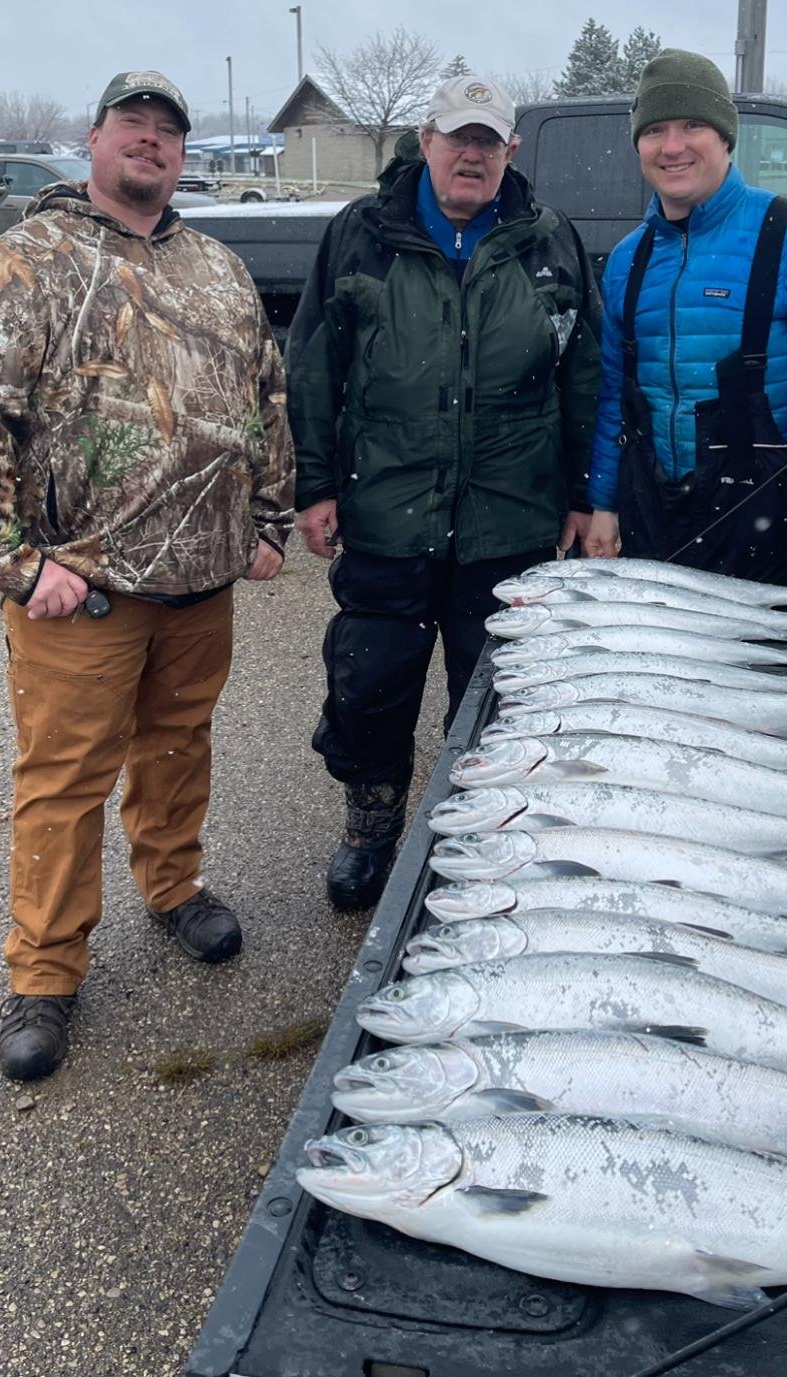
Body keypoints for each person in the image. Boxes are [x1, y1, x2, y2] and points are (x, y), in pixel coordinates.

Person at [0, 70, 294, 1081]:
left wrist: (269, 519)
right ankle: (44, 972)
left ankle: (174, 892)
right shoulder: (26, 262)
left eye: (168, 131)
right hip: (78, 592)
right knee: (64, 782)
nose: (151, 141)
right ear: (93, 140)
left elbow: (266, 392)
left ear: (182, 154)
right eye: (132, 124)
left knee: (178, 747)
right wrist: (15, 563)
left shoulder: (217, 266)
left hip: (201, 584)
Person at [288, 75, 602, 912]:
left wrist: (580, 492)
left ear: (511, 152)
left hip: (511, 515)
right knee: (370, 682)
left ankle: (484, 828)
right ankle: (372, 820)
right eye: (457, 137)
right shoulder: (362, 235)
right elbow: (315, 367)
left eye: (488, 141)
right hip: (387, 505)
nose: (472, 154)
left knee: (493, 692)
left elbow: (585, 376)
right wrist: (313, 484)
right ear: (424, 141)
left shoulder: (548, 240)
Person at [584, 50, 787, 587]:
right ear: (638, 145)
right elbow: (614, 398)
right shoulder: (627, 259)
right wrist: (603, 503)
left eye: (693, 125)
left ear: (726, 137)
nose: (673, 147)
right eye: (656, 130)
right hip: (656, 523)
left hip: (772, 529)